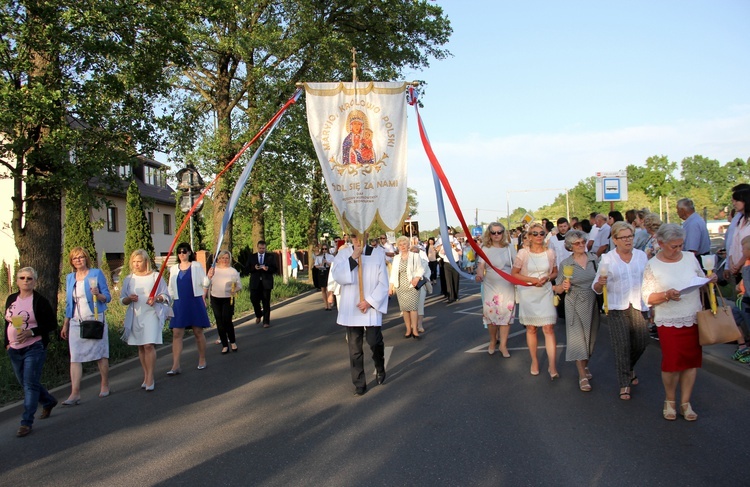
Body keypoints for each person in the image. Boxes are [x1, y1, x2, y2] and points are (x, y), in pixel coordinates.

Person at [642, 224, 717, 421]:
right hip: (668, 320)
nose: (677, 250)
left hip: (693, 316)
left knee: (691, 362)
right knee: (672, 363)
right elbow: (647, 297)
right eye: (673, 246)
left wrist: (710, 279)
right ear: (660, 243)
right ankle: (670, 400)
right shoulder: (653, 265)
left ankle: (685, 402)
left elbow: (702, 280)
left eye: (680, 245)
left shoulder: (690, 258)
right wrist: (666, 294)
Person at [592, 222, 649, 400]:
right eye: (623, 237)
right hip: (616, 306)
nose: (628, 240)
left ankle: (629, 366)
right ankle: (624, 383)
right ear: (615, 240)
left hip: (638, 305)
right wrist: (601, 283)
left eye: (630, 236)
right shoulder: (608, 258)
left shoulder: (641, 256)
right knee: (622, 345)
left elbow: (649, 280)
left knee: (641, 341)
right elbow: (596, 287)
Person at [331, 233, 389, 396]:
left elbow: (383, 282)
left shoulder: (377, 253)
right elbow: (338, 276)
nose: (357, 240)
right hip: (352, 306)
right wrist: (353, 257)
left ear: (367, 235)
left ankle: (379, 366)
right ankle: (359, 382)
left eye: (360, 236)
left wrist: (369, 302)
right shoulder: (343, 253)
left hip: (370, 306)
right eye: (354, 236)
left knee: (374, 342)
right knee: (354, 348)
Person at [5, 267, 58, 437]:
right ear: (17, 280)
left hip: (34, 347)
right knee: (27, 382)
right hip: (14, 348)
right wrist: (6, 343)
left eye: (29, 278)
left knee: (29, 384)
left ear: (35, 281)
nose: (26, 281)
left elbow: (51, 324)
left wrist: (32, 332)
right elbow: (7, 322)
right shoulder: (11, 299)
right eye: (22, 278)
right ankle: (48, 401)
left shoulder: (39, 301)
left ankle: (26, 422)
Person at [61, 247, 111, 403]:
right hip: (77, 320)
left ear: (86, 259)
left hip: (94, 318)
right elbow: (69, 303)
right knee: (75, 357)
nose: (78, 260)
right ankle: (75, 393)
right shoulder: (70, 278)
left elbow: (107, 297)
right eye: (75, 258)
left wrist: (97, 294)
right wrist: (66, 323)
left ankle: (104, 384)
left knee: (100, 354)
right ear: (71, 261)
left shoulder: (96, 274)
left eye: (81, 257)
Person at [552, 231, 599, 391]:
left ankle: (585, 365)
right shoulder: (566, 264)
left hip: (592, 300)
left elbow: (600, 280)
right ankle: (582, 375)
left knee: (590, 339)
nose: (581, 245)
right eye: (577, 243)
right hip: (574, 302)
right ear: (570, 246)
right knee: (578, 339)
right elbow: (557, 288)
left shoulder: (594, 259)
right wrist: (563, 287)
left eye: (582, 242)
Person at [512, 222, 559, 378]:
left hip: (545, 291)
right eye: (535, 233)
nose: (539, 236)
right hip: (528, 293)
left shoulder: (550, 253)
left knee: (548, 328)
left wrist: (548, 278)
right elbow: (515, 273)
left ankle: (552, 365)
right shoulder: (523, 254)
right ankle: (535, 361)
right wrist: (531, 280)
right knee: (531, 328)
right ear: (529, 236)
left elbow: (555, 272)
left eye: (541, 233)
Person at [120, 250, 172, 391]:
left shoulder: (156, 276)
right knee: (141, 346)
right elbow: (122, 299)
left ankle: (150, 377)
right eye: (134, 261)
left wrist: (156, 298)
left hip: (151, 314)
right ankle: (146, 374)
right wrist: (129, 298)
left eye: (139, 261)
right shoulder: (129, 279)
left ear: (146, 262)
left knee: (149, 345)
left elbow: (166, 296)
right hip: (136, 315)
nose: (136, 264)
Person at [168, 242, 210, 374]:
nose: (182, 254)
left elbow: (205, 282)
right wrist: (167, 305)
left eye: (184, 251)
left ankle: (202, 359)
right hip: (180, 303)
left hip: (194, 301)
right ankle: (175, 365)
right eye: (179, 252)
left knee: (198, 331)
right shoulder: (173, 269)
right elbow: (170, 288)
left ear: (190, 252)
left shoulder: (196, 266)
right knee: (177, 333)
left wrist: (209, 278)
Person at [475, 222, 516, 357]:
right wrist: (480, 274)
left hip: (507, 285)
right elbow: (481, 265)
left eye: (499, 232)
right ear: (489, 234)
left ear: (504, 233)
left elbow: (516, 265)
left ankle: (503, 345)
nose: (497, 235)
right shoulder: (485, 248)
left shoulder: (510, 247)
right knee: (491, 315)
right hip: (491, 286)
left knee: (506, 314)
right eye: (494, 232)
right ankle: (493, 340)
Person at [389, 236, 425, 339]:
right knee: (405, 309)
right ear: (398, 246)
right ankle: (408, 329)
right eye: (400, 245)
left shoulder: (414, 256)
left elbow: (421, 269)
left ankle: (415, 330)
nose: (402, 246)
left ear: (408, 245)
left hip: (412, 285)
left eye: (404, 244)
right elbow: (393, 274)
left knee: (413, 308)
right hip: (400, 286)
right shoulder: (396, 258)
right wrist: (390, 287)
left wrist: (417, 278)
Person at [206, 250, 242, 354]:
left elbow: (239, 285)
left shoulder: (233, 271)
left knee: (227, 320)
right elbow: (207, 283)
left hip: (228, 298)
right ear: (218, 259)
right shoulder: (213, 270)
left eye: (227, 258)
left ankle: (233, 342)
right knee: (219, 322)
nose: (224, 260)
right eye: (222, 258)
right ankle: (225, 344)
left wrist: (234, 289)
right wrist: (208, 276)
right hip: (215, 298)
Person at [248, 240, 277, 327]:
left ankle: (266, 322)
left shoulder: (270, 257)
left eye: (263, 248)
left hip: (266, 282)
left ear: (265, 248)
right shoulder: (252, 257)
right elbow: (247, 269)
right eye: (260, 248)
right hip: (255, 282)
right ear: (257, 247)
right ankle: (259, 314)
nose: (261, 250)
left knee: (266, 301)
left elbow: (275, 269)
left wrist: (267, 268)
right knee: (254, 299)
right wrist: (254, 268)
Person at [676, 198, 711, 263]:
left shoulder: (692, 224)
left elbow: (692, 250)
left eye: (678, 210)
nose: (677, 212)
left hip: (696, 261)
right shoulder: (697, 219)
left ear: (683, 210)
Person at [725, 189, 750, 278]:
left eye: (737, 201)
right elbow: (733, 243)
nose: (734, 204)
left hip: (746, 267)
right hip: (737, 268)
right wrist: (731, 262)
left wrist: (739, 264)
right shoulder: (740, 220)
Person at [313, 244, 334, 310]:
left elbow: (333, 265)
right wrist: (320, 265)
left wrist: (327, 262)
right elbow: (316, 265)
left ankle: (329, 304)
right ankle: (325, 304)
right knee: (323, 289)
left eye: (325, 249)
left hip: (328, 271)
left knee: (328, 288)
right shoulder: (318, 257)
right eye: (323, 249)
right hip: (321, 271)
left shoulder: (331, 256)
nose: (324, 250)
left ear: (327, 249)